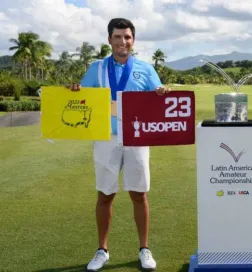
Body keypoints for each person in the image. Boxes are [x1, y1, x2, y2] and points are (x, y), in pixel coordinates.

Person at [68, 18, 170, 271]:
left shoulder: (145, 69)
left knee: (139, 194)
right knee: (105, 194)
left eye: (127, 37)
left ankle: (144, 249)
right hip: (106, 137)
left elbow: (158, 96)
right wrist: (74, 91)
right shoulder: (97, 68)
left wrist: (161, 93)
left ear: (133, 40)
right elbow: (83, 97)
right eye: (117, 37)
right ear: (109, 40)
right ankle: (102, 250)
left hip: (137, 136)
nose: (122, 41)